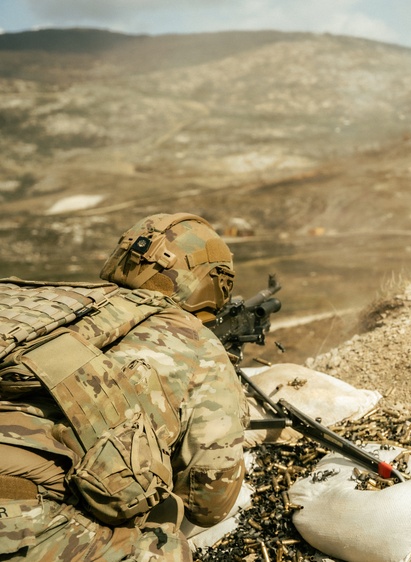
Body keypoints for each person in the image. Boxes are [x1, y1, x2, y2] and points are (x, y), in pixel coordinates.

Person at [0, 213, 248, 561]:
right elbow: (209, 503)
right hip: (18, 520)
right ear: (211, 281)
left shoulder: (59, 309)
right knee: (163, 548)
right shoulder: (195, 341)